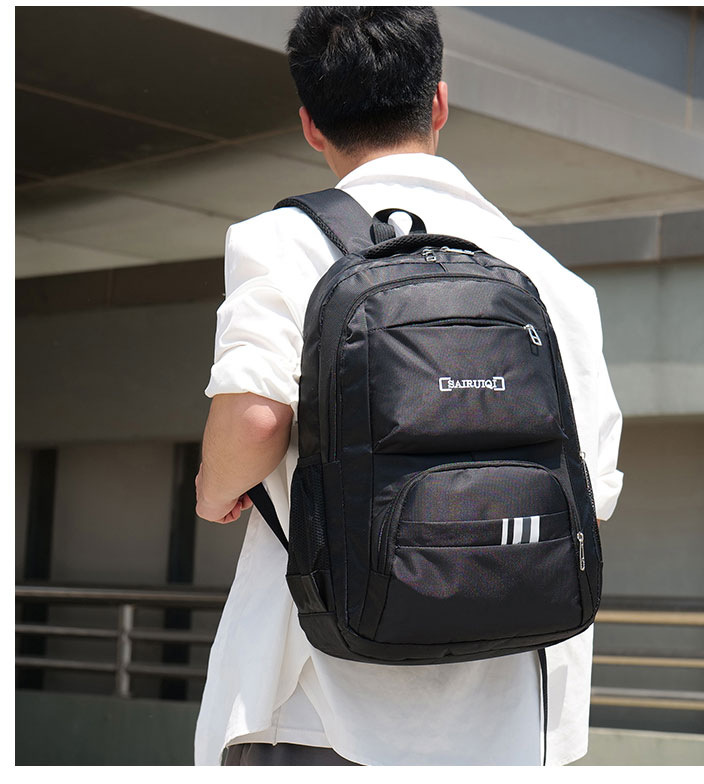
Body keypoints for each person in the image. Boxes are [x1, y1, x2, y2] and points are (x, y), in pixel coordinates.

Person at [194, 6, 623, 767]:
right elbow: (592, 492)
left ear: (311, 125)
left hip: (321, 703)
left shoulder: (280, 242)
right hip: (511, 717)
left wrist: (212, 489)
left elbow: (256, 420)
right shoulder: (547, 278)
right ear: (439, 103)